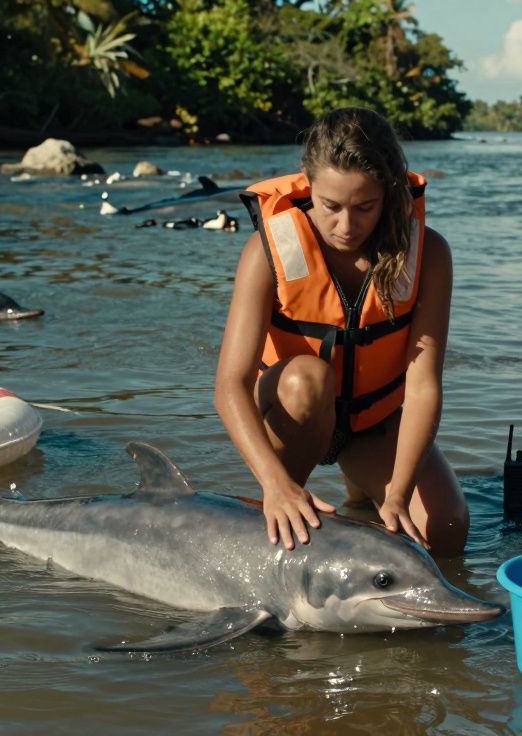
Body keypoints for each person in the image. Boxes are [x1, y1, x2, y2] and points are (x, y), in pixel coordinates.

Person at [215, 107, 468, 557]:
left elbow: (424, 385)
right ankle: (281, 498)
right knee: (308, 379)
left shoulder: (430, 256)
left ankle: (362, 497)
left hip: (371, 422)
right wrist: (275, 485)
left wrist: (397, 494)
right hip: (297, 408)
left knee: (444, 531)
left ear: (388, 196)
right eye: (330, 206)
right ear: (308, 184)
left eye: (364, 207)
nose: (346, 226)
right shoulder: (265, 251)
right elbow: (229, 386)